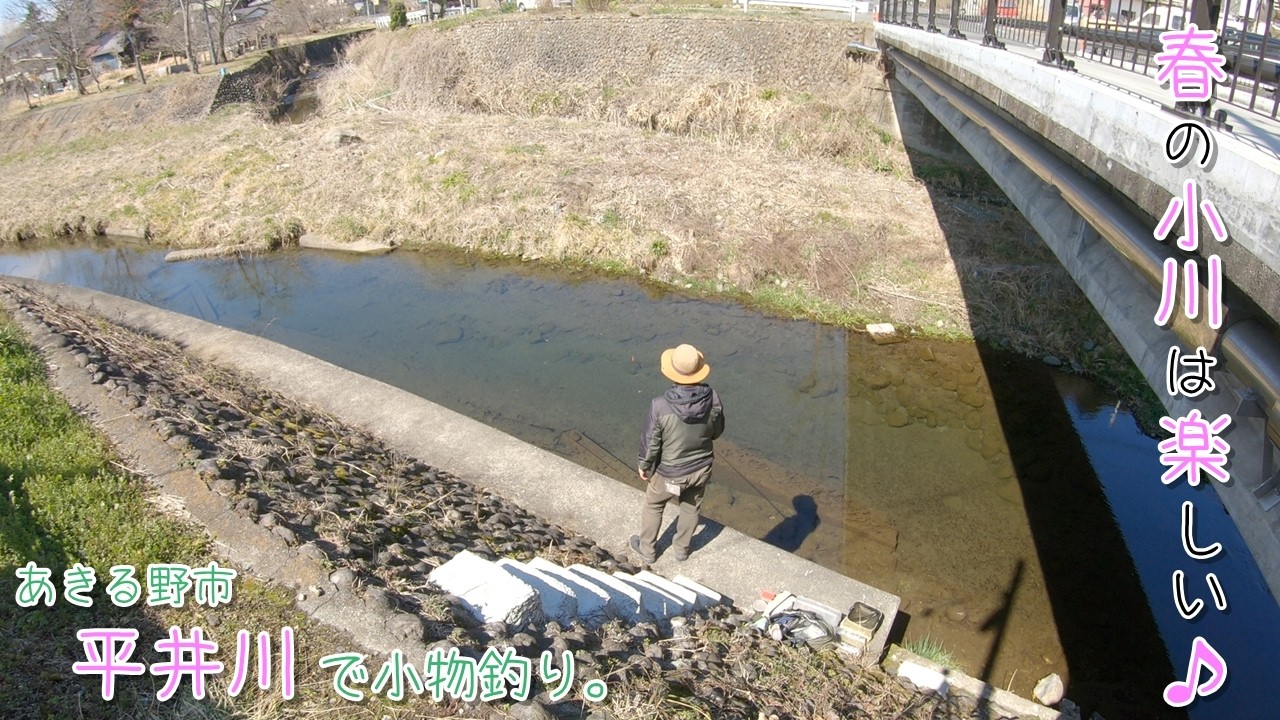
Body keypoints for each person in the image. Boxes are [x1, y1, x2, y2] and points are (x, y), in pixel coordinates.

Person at [629, 343, 725, 564]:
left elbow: (651, 442)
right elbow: (717, 432)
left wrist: (644, 465)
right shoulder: (714, 398)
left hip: (670, 474)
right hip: (701, 469)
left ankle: (648, 550)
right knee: (691, 507)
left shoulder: (660, 406)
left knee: (654, 504)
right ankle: (682, 550)